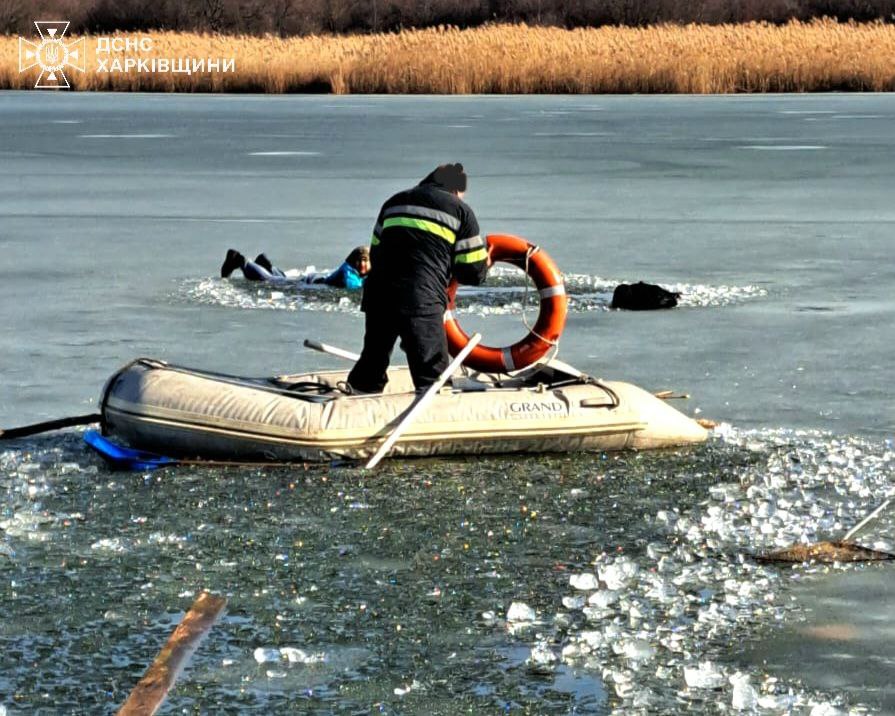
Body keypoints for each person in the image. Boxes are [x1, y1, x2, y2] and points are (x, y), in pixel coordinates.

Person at [346, 163, 488, 393]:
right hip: (421, 297)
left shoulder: (393, 202)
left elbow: (375, 252)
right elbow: (473, 272)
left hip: (378, 295)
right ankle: (436, 415)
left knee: (373, 359)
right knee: (432, 376)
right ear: (456, 191)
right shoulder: (461, 211)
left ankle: (356, 400)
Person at [220, 246, 370, 289]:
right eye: (360, 260)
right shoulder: (348, 271)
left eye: (366, 261)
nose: (363, 264)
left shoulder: (358, 271)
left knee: (281, 279)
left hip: (314, 280)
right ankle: (240, 260)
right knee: (270, 281)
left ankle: (266, 265)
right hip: (311, 283)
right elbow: (354, 286)